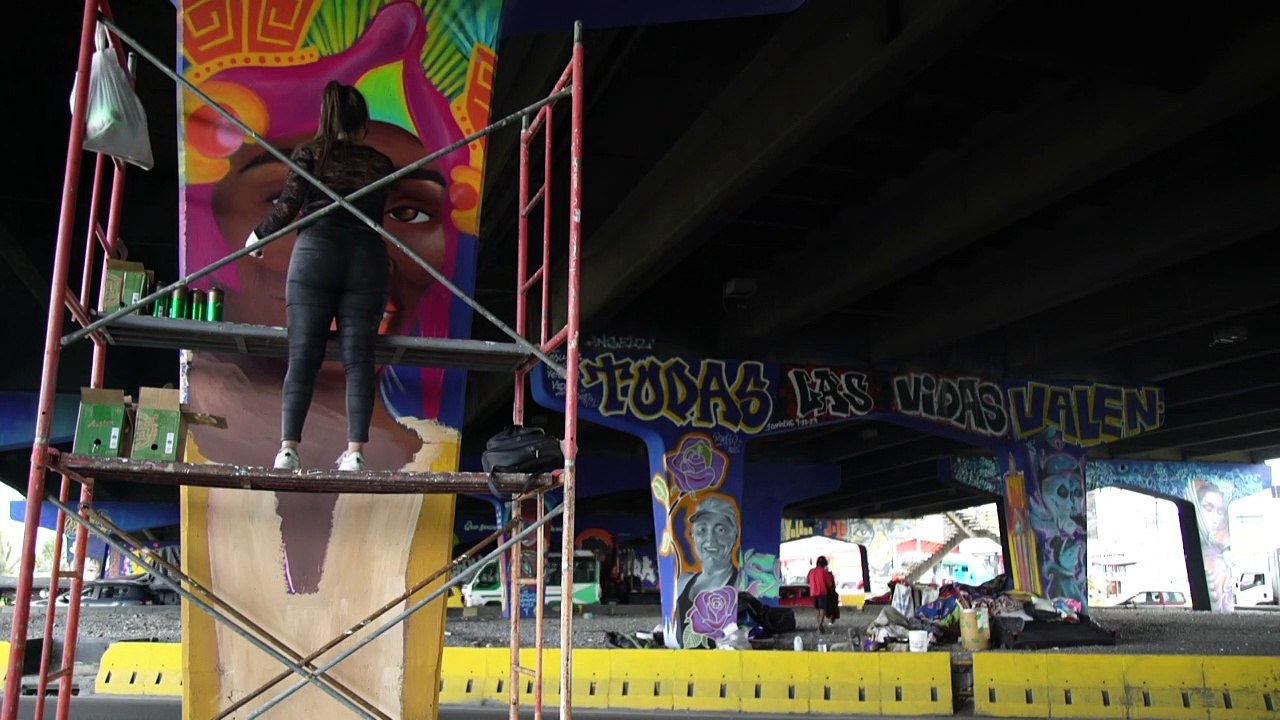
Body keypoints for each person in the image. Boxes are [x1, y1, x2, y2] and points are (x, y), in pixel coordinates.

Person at [247, 81, 396, 472]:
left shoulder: (310, 154)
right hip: (366, 258)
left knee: (303, 358)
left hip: (316, 255)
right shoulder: (381, 165)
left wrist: (258, 236)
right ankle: (355, 453)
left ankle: (288, 450)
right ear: (361, 123)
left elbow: (289, 206)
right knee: (358, 360)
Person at [807, 556, 836, 633]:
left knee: (817, 609)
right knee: (822, 609)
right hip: (822, 592)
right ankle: (820, 625)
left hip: (813, 593)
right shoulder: (825, 572)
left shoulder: (811, 571)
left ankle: (819, 625)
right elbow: (829, 584)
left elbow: (808, 581)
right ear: (824, 564)